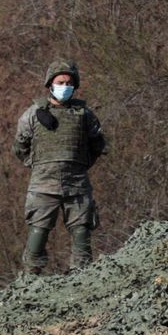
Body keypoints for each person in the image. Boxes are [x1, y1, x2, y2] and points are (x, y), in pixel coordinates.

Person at [12, 58, 107, 275]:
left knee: (82, 229)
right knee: (39, 229)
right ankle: (30, 280)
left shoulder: (86, 116)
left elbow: (97, 145)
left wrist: (80, 165)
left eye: (69, 83)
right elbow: (19, 147)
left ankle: (82, 278)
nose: (65, 87)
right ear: (50, 84)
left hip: (77, 183)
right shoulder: (32, 114)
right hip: (43, 183)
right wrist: (39, 166)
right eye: (60, 82)